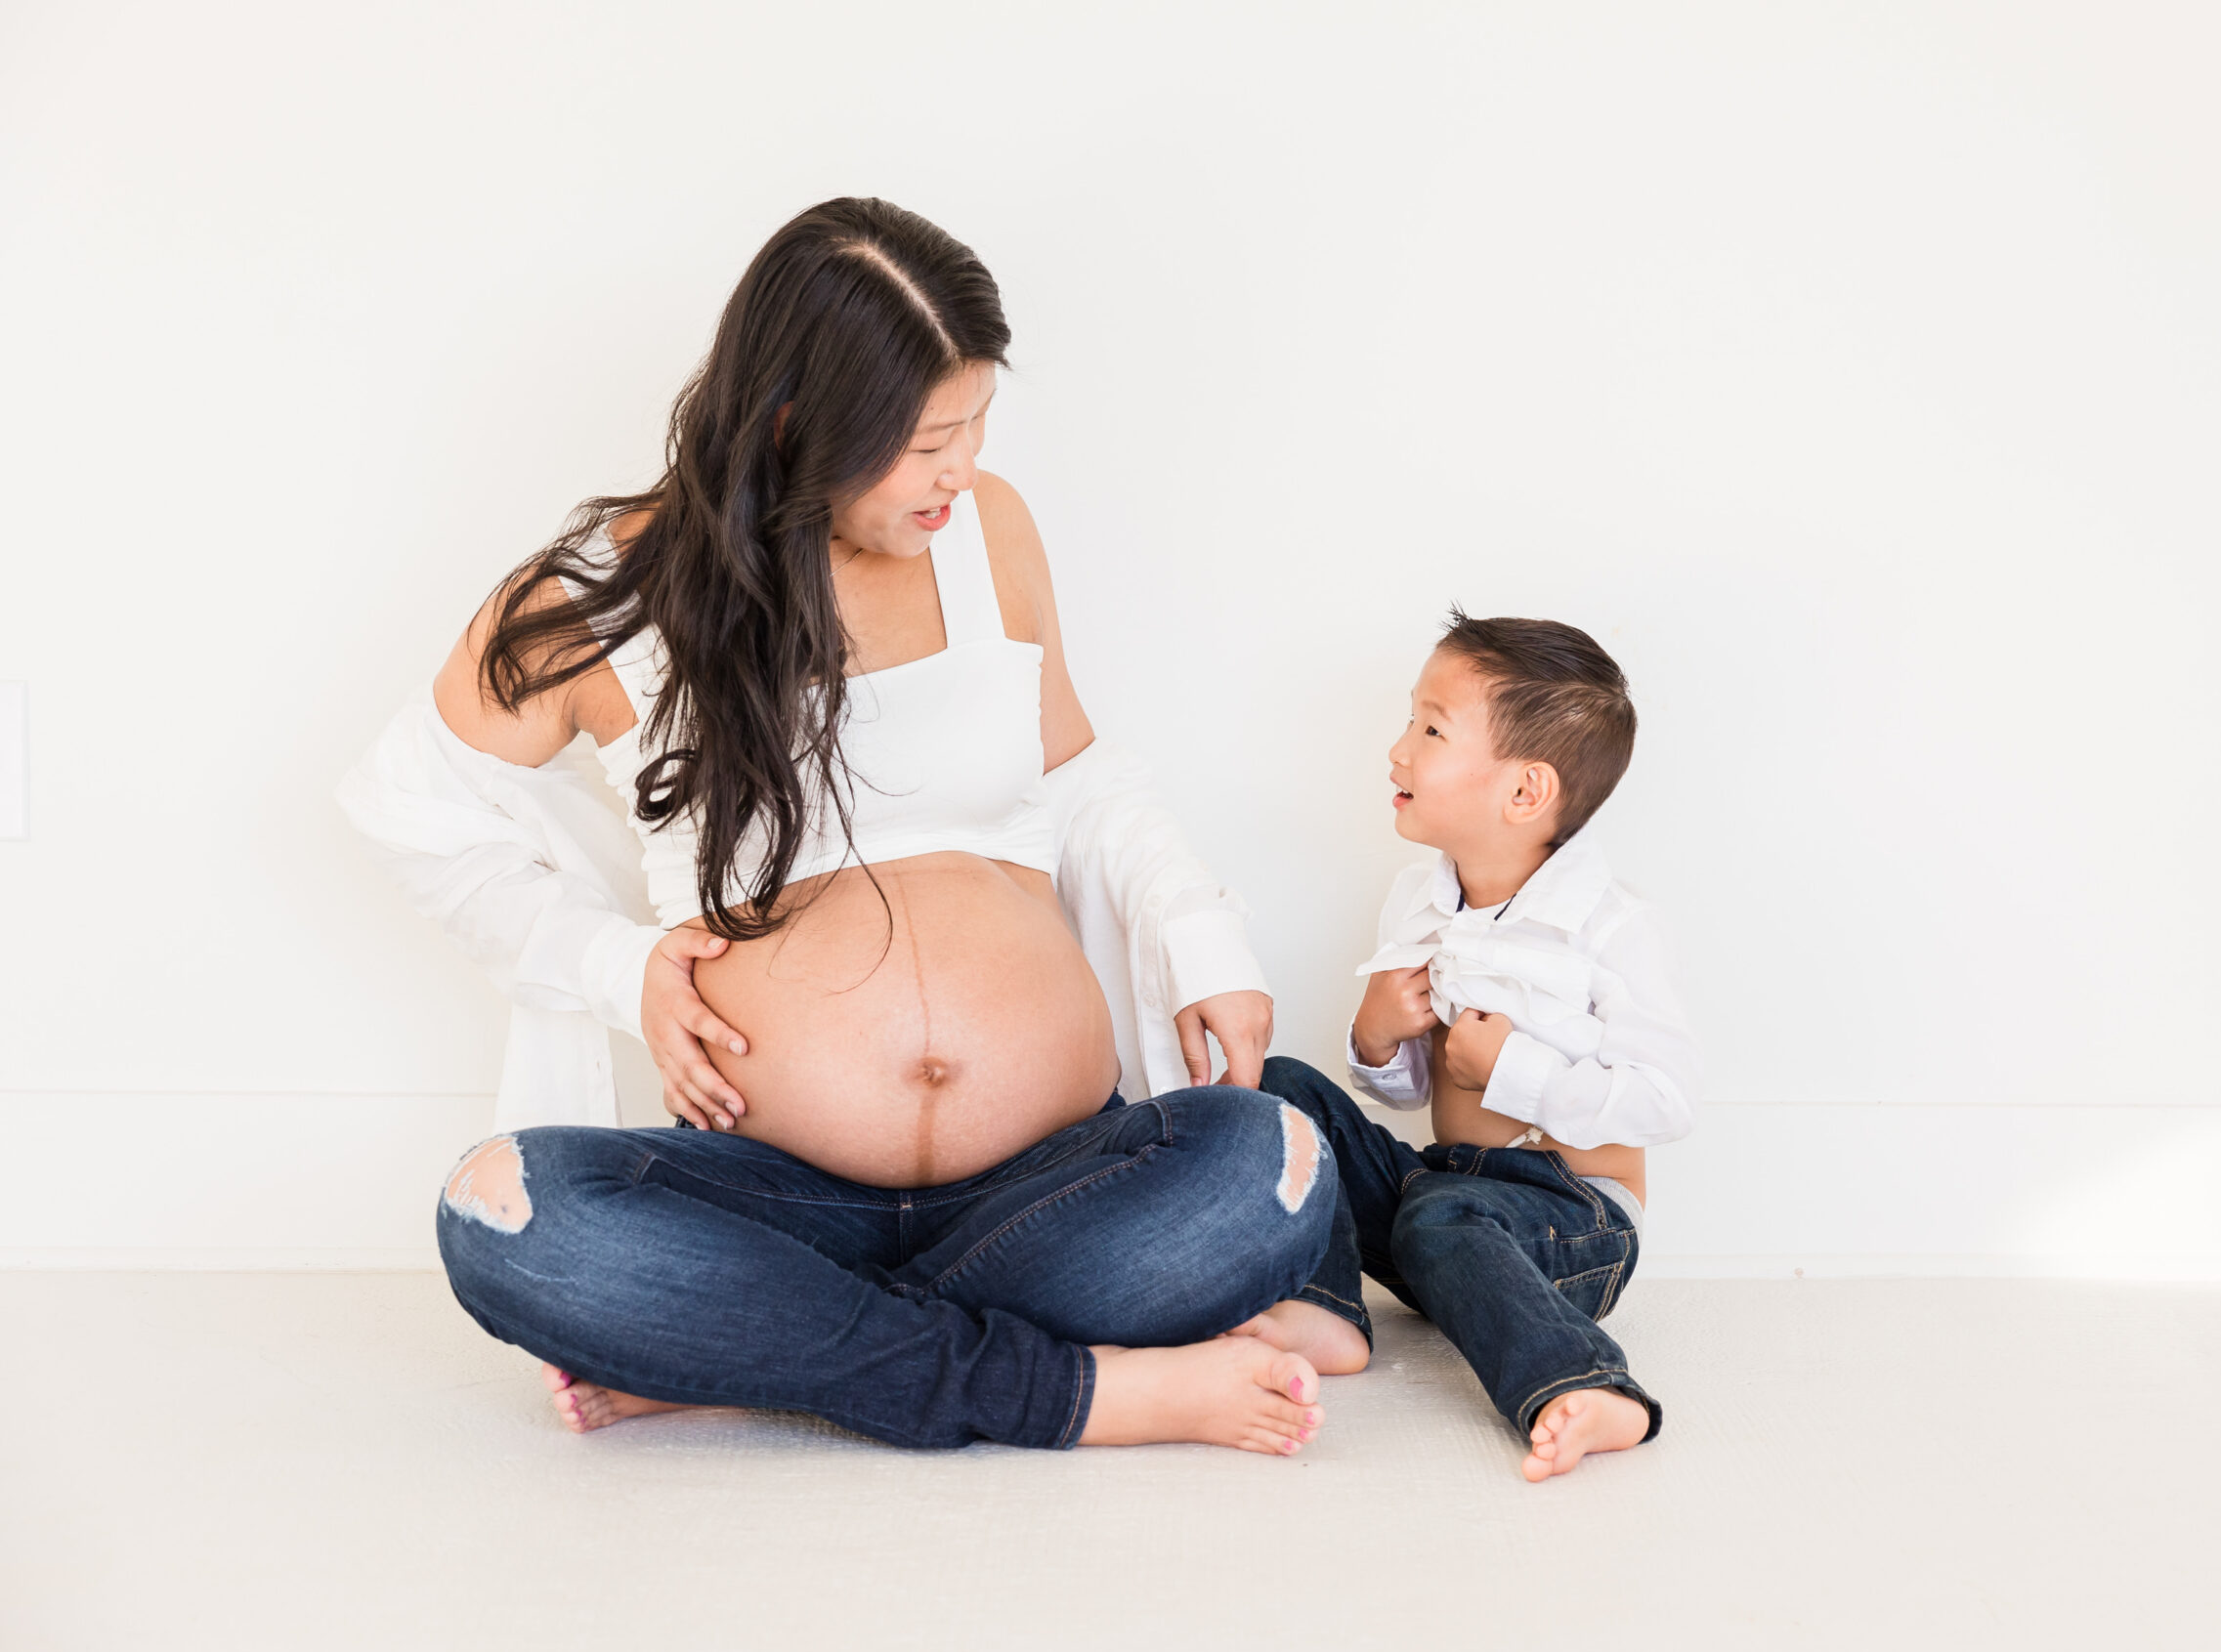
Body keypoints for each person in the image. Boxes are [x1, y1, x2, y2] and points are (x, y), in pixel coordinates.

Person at [337, 197, 1337, 1455]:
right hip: (772, 1198)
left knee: (1274, 1161)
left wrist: (1199, 934)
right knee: (500, 1212)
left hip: (1045, 1180)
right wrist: (618, 967)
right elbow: (409, 807)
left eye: (975, 426)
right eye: (925, 444)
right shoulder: (609, 595)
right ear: (796, 424)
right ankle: (1079, 1390)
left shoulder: (988, 534)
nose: (959, 473)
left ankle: (757, 1350)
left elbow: (1081, 776)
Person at [1233, 611, 1702, 1480]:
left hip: (1574, 1221)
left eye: (1432, 729)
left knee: (1442, 1216)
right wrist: (1377, 1034)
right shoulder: (1421, 899)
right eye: (1411, 721)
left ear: (1524, 793)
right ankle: (1333, 1305)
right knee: (1282, 1083)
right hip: (1443, 1191)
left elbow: (1667, 1098)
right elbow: (1408, 1092)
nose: (1398, 750)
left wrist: (1512, 1070)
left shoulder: (1609, 925)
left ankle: (1586, 1383)